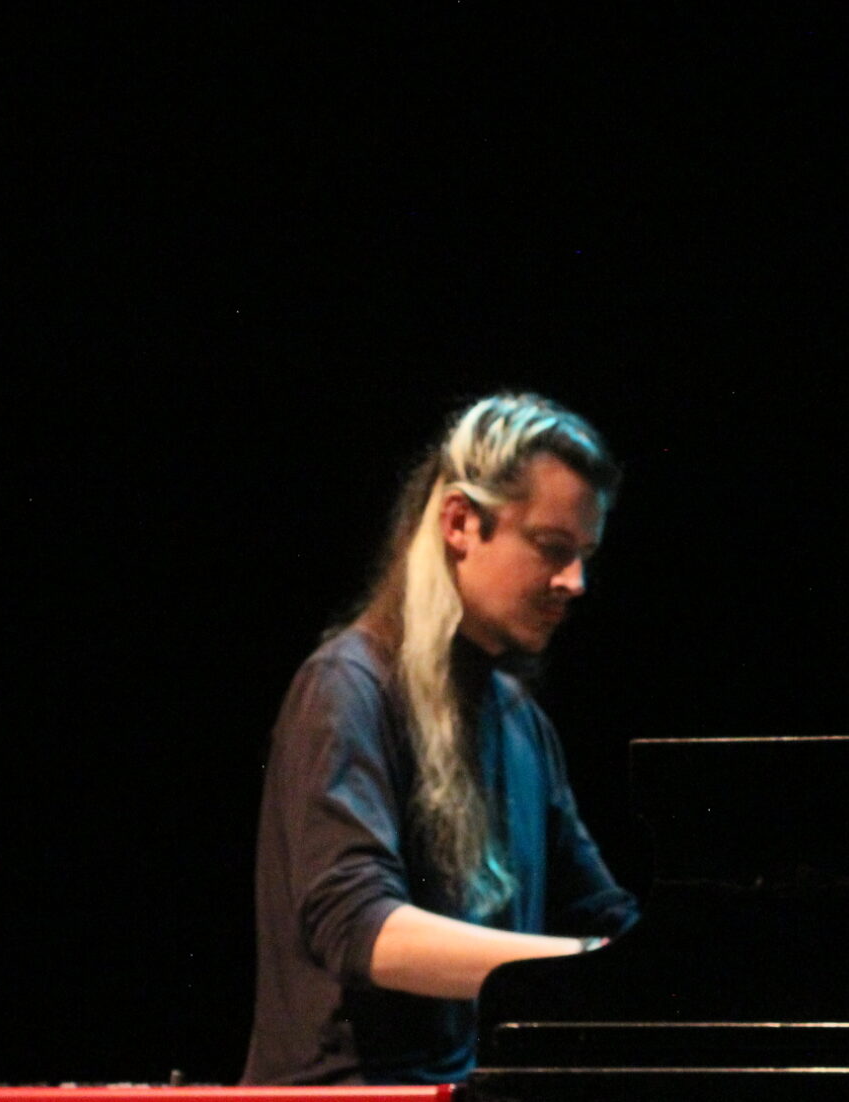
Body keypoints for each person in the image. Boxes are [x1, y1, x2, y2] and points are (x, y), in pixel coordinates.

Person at [242, 394, 641, 1085]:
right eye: (553, 548)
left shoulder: (519, 720)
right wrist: (578, 964)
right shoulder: (349, 687)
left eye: (584, 556)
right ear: (460, 522)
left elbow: (601, 913)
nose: (576, 582)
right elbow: (360, 927)